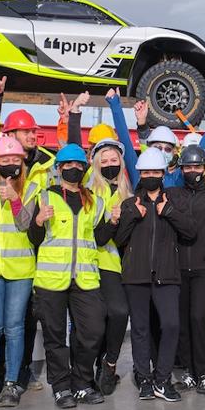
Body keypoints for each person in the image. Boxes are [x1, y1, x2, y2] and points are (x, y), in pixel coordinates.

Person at [23, 144, 108, 409]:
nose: (73, 169)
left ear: (84, 168)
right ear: (58, 169)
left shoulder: (95, 200)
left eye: (78, 165)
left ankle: (82, 382)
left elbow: (101, 237)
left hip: (85, 278)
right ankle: (61, 387)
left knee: (92, 330)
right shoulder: (45, 197)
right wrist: (37, 222)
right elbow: (34, 238)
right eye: (67, 165)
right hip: (51, 279)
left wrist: (116, 220)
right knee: (55, 336)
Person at [115, 148, 196, 402]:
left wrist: (168, 212)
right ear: (140, 174)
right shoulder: (130, 204)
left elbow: (190, 232)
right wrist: (130, 217)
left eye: (155, 172)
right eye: (146, 172)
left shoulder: (174, 202)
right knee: (140, 329)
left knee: (171, 325)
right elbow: (118, 239)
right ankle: (145, 381)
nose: (150, 175)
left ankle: (162, 379)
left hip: (167, 275)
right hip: (136, 276)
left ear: (163, 174)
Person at [0, 136, 37, 409]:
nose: (11, 164)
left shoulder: (32, 188)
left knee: (14, 327)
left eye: (16, 160)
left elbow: (26, 226)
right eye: (5, 160)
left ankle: (12, 382)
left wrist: (15, 199)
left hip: (21, 269)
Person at [172, 144, 205, 399]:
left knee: (198, 317)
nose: (192, 170)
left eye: (196, 166)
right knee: (182, 321)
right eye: (187, 167)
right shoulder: (174, 194)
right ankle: (188, 372)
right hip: (180, 267)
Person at [87, 138, 133, 396]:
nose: (109, 165)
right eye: (103, 161)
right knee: (99, 319)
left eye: (114, 160)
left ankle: (109, 364)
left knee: (118, 313)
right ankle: (95, 366)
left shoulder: (128, 194)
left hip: (118, 265)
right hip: (93, 263)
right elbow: (97, 236)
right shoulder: (91, 192)